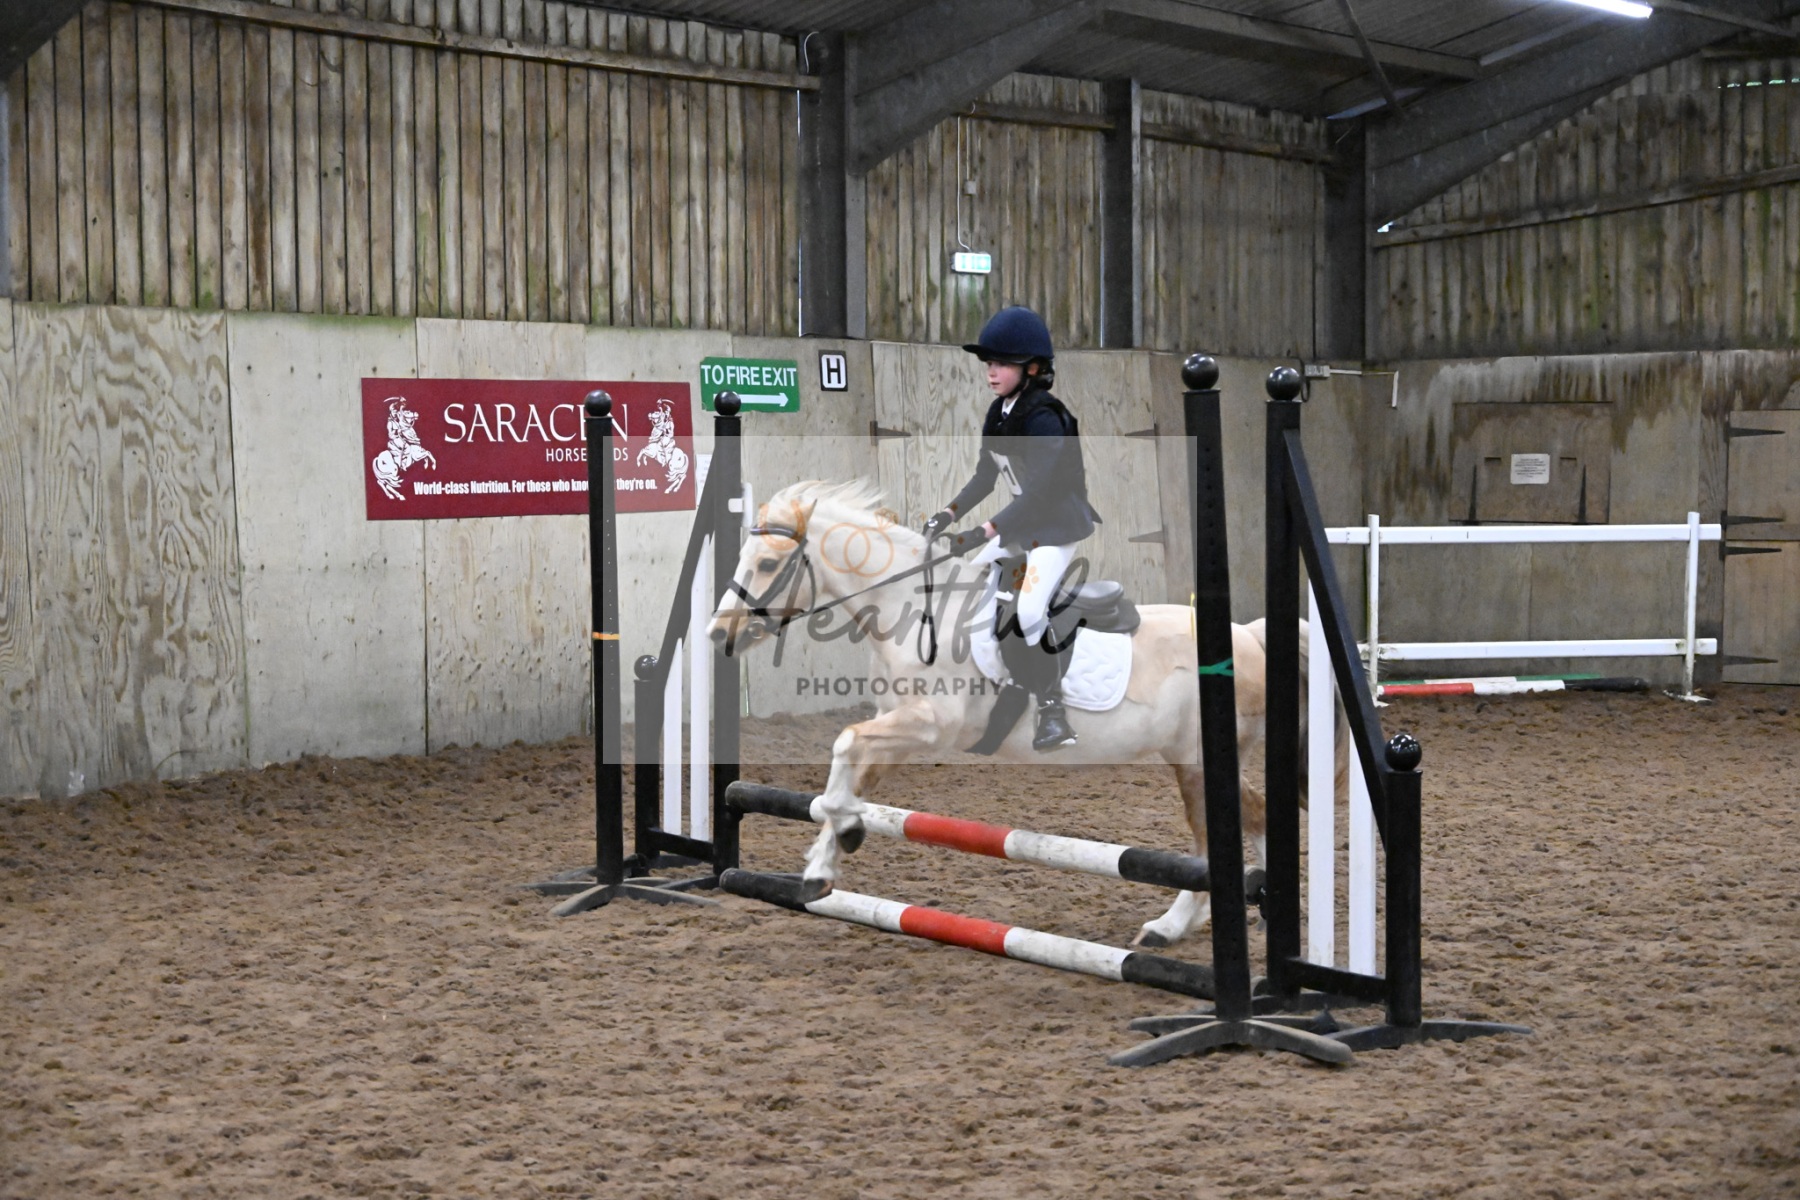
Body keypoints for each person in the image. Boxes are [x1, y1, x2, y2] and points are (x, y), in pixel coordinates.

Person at [923, 306, 1101, 752]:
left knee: (1028, 611)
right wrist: (947, 514)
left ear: (1032, 369)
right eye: (989, 363)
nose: (991, 372)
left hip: (1055, 528)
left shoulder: (1047, 418)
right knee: (969, 585)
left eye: (1001, 364)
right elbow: (985, 477)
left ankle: (1053, 711)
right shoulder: (999, 412)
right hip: (1023, 523)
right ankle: (1004, 682)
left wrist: (983, 532)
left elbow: (1038, 493)